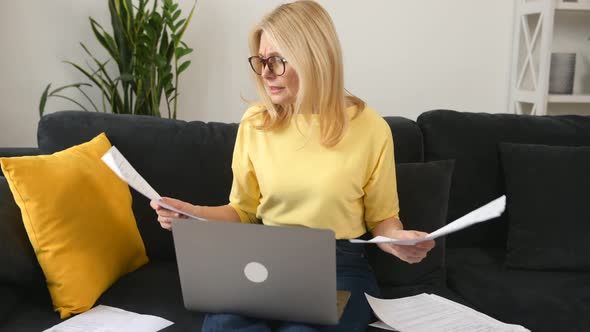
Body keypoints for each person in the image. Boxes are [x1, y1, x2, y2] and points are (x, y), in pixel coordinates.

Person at [151, 1, 435, 331]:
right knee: (224, 326)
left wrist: (397, 240)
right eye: (261, 61)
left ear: (315, 59)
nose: (266, 73)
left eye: (277, 61)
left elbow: (382, 218)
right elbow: (243, 211)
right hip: (266, 258)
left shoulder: (370, 127)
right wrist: (193, 214)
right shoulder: (255, 122)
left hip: (339, 265)